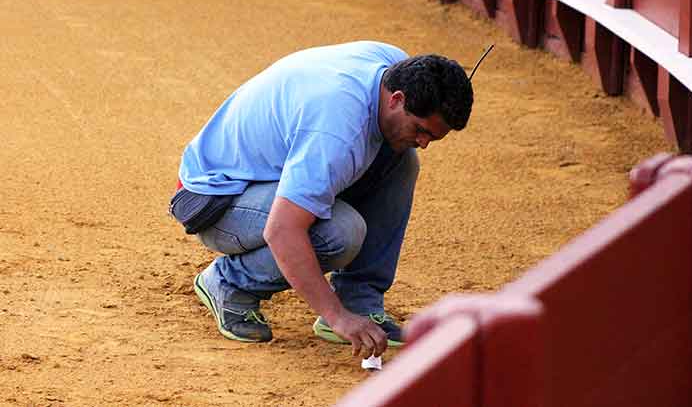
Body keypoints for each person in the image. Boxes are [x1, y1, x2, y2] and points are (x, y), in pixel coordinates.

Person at [170, 41, 473, 358]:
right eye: (421, 130)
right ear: (397, 99)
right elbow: (283, 230)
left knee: (402, 159)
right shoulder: (336, 130)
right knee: (340, 232)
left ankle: (359, 298)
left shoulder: (395, 68)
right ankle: (228, 282)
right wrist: (336, 317)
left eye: (433, 137)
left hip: (266, 174)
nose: (424, 142)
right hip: (215, 198)